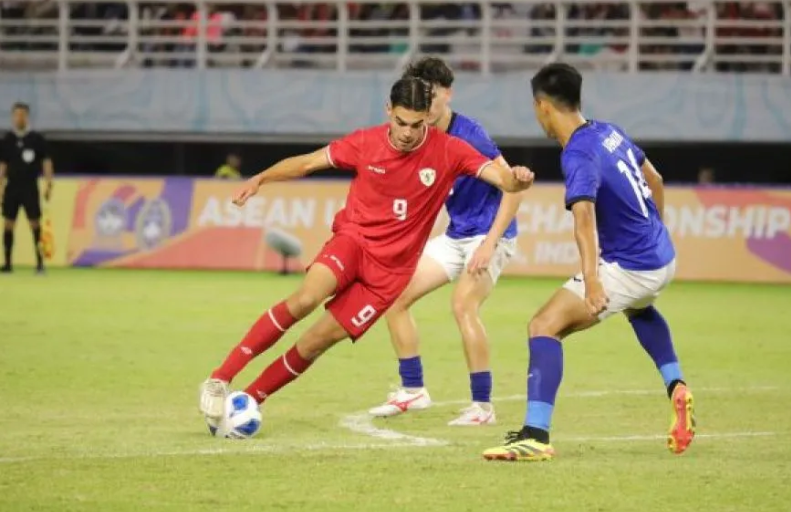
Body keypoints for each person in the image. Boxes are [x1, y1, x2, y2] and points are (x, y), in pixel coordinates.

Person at [198, 77, 535, 434]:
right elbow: (309, 163)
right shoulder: (364, 142)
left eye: (417, 124)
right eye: (400, 122)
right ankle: (220, 379)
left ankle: (246, 402)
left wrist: (518, 179)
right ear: (388, 111)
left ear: (427, 119)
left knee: (315, 342)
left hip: (388, 276)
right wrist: (262, 178)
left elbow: (503, 181)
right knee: (307, 297)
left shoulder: (449, 150)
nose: (407, 133)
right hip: (353, 242)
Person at [483, 63, 695, 462]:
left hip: (629, 266)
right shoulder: (609, 131)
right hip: (660, 255)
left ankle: (535, 435)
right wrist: (656, 232)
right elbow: (657, 180)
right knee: (641, 308)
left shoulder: (578, 152)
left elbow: (584, 218)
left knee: (544, 325)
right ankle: (676, 385)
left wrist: (593, 281)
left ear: (542, 106)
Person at [368, 57, 524, 426]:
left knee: (463, 307)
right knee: (394, 297)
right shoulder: (420, 136)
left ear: (448, 93)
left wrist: (489, 244)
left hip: (489, 235)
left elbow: (513, 190)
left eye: (432, 95)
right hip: (456, 236)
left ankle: (483, 407)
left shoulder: (470, 135)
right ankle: (413, 390)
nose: (425, 103)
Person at [0, 102, 54, 274]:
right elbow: (2, 164)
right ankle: (8, 264)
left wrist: (49, 182)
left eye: (22, 114)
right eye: (16, 115)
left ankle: (40, 263)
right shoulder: (7, 140)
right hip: (12, 188)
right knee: (8, 224)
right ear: (13, 117)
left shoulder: (36, 139)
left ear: (27, 116)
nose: (19, 118)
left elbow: (46, 161)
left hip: (30, 187)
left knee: (35, 223)